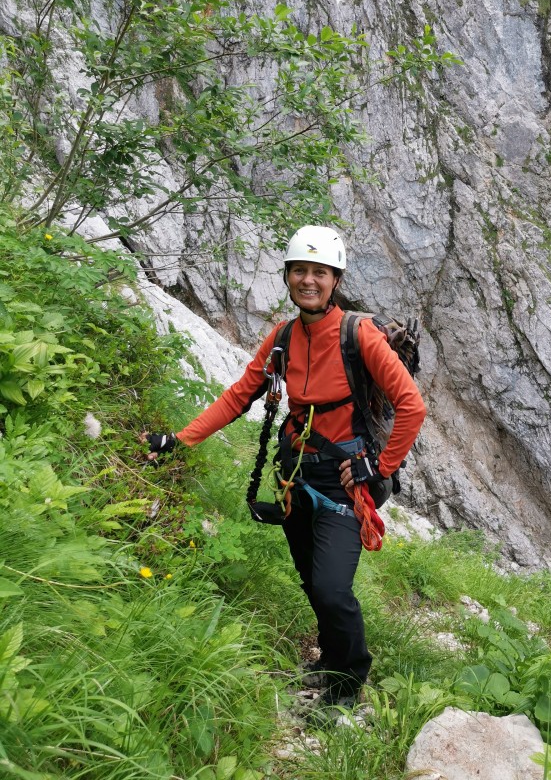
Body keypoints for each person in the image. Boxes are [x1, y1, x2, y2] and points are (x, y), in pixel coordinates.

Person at [143, 225, 426, 711]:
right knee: (309, 576)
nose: (308, 280)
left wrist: (378, 469)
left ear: (335, 280)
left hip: (343, 482)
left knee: (332, 590)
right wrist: (179, 439)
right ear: (288, 276)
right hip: (295, 475)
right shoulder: (284, 336)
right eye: (300, 271)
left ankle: (347, 685)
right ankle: (332, 658)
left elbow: (411, 405)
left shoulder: (358, 335)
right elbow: (238, 396)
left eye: (319, 272)